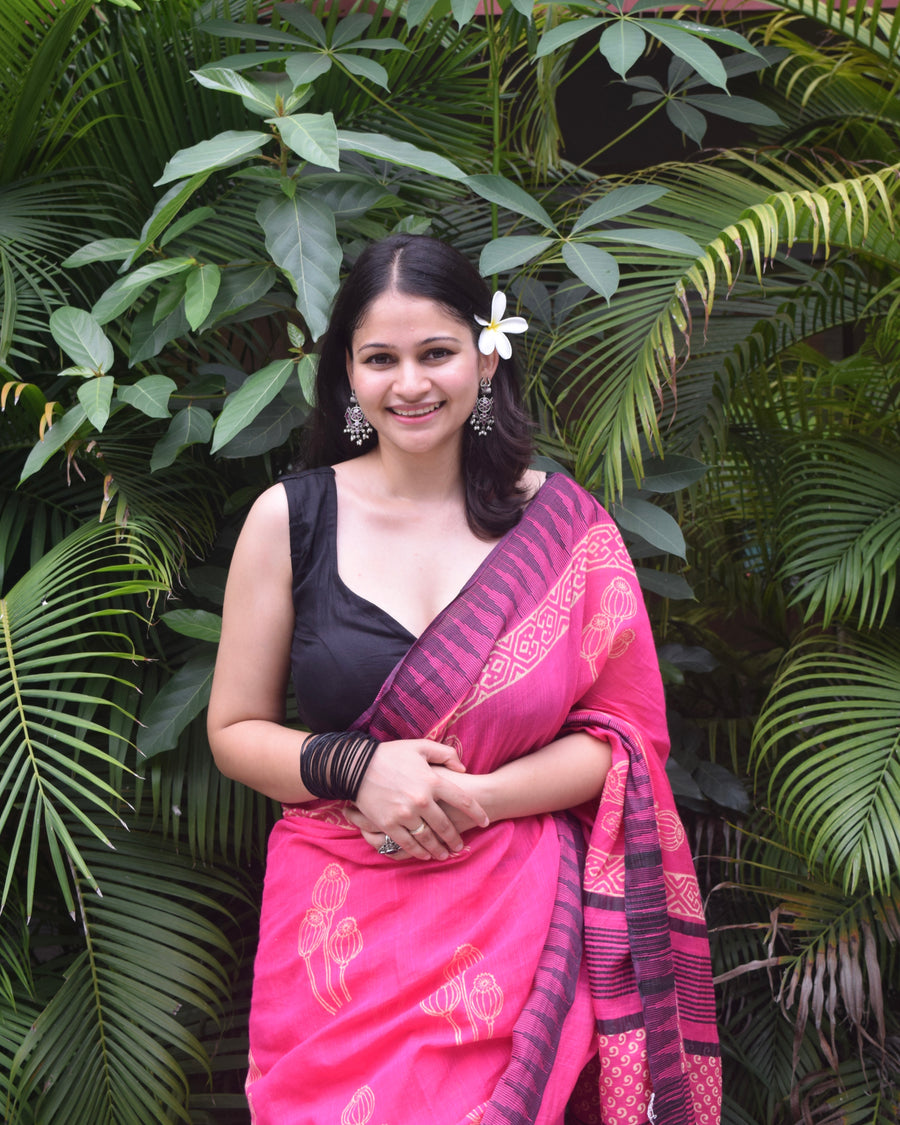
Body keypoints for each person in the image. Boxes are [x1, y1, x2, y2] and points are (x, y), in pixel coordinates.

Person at [207, 234, 721, 1125]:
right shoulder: (290, 517)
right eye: (381, 359)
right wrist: (358, 770)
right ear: (347, 377)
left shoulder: (559, 529)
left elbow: (626, 741)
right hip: (340, 935)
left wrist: (470, 796)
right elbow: (234, 730)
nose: (410, 383)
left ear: (485, 360)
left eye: (436, 353)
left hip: (517, 927)